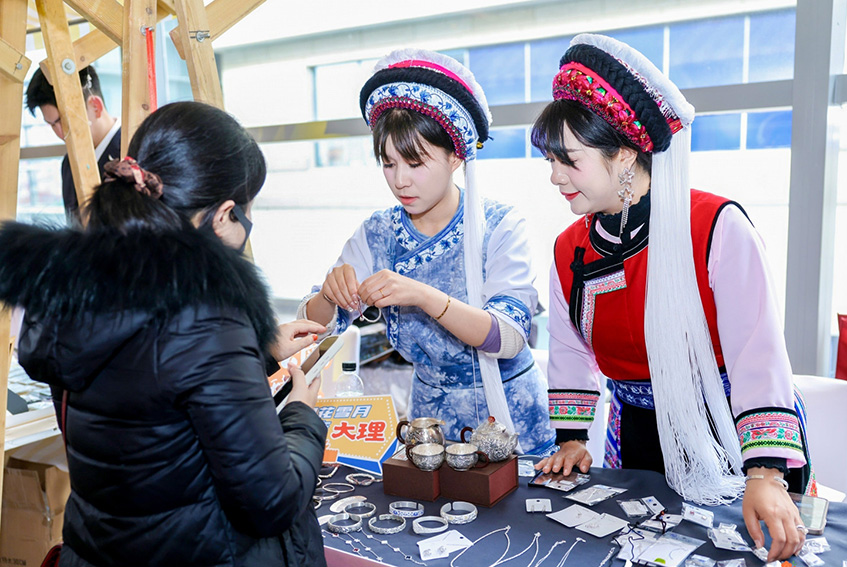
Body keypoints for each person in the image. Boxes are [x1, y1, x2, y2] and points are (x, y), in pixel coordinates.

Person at [0, 101, 328, 567]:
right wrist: (301, 417)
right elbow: (270, 502)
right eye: (248, 210)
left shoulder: (72, 294)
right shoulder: (209, 316)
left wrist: (256, 352)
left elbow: (147, 398)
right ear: (224, 215)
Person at [532, 35, 814, 562]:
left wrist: (765, 473)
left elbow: (757, 353)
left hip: (735, 431)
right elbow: (568, 348)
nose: (554, 176)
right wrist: (572, 439)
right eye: (550, 160)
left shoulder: (715, 226)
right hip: (640, 433)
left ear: (624, 154)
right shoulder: (569, 249)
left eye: (568, 160)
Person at [300, 49, 554, 455]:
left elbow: (506, 338)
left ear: (455, 156)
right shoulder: (378, 233)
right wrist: (329, 297)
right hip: (429, 425)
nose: (400, 180)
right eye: (388, 163)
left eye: (415, 163)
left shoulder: (500, 227)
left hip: (510, 420)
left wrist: (422, 295)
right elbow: (316, 330)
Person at [26, 66, 121, 225]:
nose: (60, 134)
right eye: (52, 125)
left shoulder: (134, 150)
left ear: (95, 107)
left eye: (62, 121)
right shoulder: (69, 164)